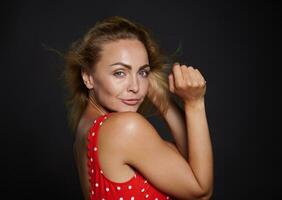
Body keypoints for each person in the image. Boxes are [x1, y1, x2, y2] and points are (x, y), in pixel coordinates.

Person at [62, 16, 213, 200]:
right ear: (88, 77)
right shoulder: (124, 127)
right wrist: (195, 104)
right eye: (119, 73)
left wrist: (162, 100)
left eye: (142, 72)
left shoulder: (87, 127)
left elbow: (189, 165)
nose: (135, 86)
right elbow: (201, 192)